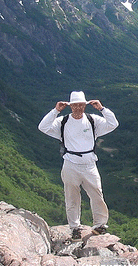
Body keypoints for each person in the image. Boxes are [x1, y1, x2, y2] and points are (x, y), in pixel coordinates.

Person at [38, 91, 119, 241]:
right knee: (71, 198)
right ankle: (75, 228)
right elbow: (43, 127)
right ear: (70, 106)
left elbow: (113, 124)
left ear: (85, 105)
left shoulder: (93, 120)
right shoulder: (62, 122)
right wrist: (55, 111)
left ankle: (100, 225)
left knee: (97, 194)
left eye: (81, 105)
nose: (78, 108)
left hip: (89, 164)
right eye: (75, 105)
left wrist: (102, 109)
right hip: (70, 164)